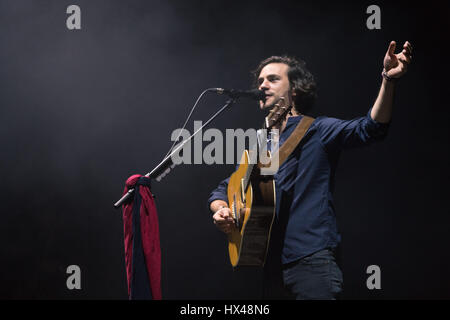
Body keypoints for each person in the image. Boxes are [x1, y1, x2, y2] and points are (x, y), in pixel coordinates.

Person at [207, 41, 412, 299]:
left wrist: (388, 80)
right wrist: (222, 211)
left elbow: (370, 128)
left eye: (272, 79)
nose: (261, 86)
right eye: (259, 81)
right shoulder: (259, 145)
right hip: (269, 266)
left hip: (311, 260)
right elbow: (223, 189)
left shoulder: (318, 130)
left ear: (294, 90)